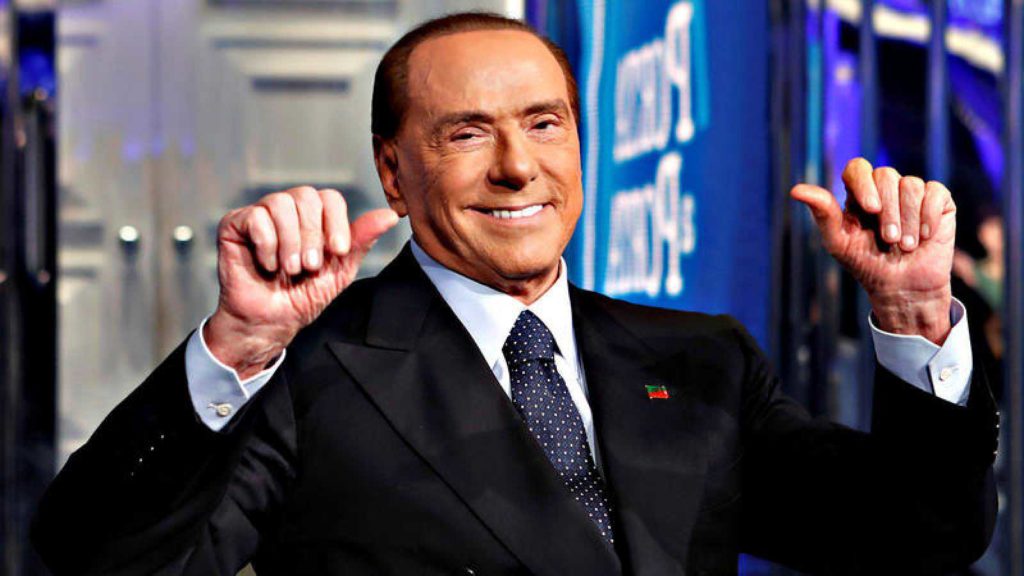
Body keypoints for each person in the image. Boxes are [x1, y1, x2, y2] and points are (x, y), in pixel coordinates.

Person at [33, 12, 997, 576]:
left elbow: (922, 536)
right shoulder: (309, 370)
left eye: (545, 124)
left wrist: (915, 317)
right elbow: (94, 560)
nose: (516, 167)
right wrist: (238, 347)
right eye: (466, 133)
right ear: (394, 171)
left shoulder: (702, 359)